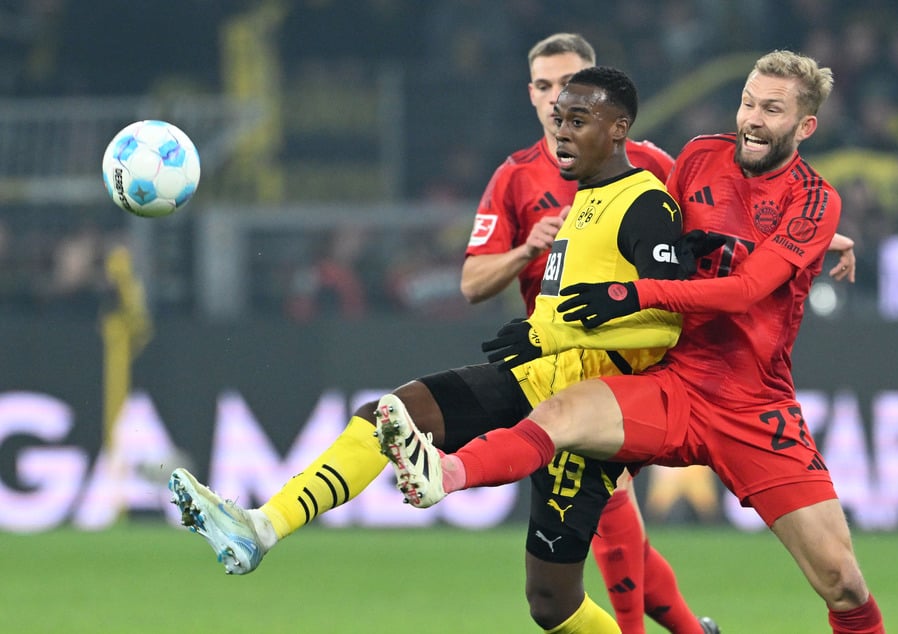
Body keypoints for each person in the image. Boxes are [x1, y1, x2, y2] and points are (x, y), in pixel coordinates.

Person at [168, 60, 719, 633]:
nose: (562, 131)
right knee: (387, 416)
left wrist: (555, 332)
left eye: (579, 119)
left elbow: (671, 320)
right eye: (558, 119)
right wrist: (541, 335)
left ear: (619, 128)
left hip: (592, 414)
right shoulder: (582, 201)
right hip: (536, 379)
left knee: (551, 601)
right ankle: (259, 528)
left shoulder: (646, 203)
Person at [378, 52, 885, 634]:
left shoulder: (815, 200)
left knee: (842, 583)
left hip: (753, 404)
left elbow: (745, 290)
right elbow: (647, 216)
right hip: (672, 376)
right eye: (748, 101)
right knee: (563, 414)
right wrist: (555, 329)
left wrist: (632, 294)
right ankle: (445, 473)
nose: (752, 118)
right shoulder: (698, 155)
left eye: (772, 109)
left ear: (805, 125)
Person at [460, 32, 715, 634]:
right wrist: (527, 248)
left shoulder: (646, 165)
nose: (560, 103)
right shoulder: (516, 177)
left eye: (573, 89)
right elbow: (472, 282)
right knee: (607, 516)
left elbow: (711, 221)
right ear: (532, 96)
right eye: (547, 89)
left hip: (626, 362)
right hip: (548, 363)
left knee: (608, 498)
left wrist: (801, 240)